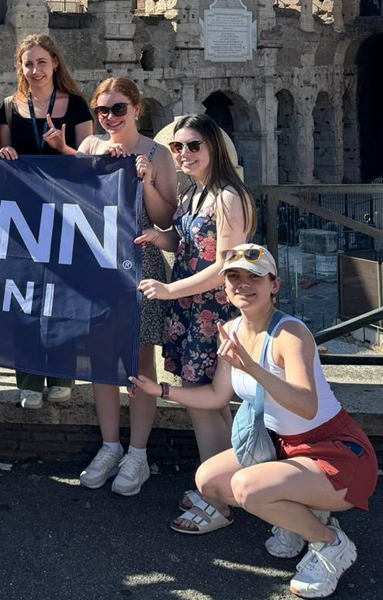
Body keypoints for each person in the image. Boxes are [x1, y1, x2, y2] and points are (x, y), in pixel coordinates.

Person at [129, 244, 377, 598]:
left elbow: (306, 406)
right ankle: (300, 517)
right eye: (234, 277)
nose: (244, 284)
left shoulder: (291, 333)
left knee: (247, 488)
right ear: (225, 286)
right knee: (208, 480)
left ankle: (330, 543)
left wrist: (253, 368)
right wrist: (161, 391)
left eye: (254, 276)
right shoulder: (230, 329)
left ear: (273, 284)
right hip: (285, 450)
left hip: (335, 453)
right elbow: (216, 396)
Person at [48, 77, 178, 496]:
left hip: (140, 260)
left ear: (137, 109)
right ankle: (109, 446)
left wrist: (142, 179)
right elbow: (73, 196)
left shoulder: (157, 154)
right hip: (99, 264)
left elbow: (164, 219)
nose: (109, 117)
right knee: (100, 357)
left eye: (118, 108)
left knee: (140, 361)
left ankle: (137, 454)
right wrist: (71, 155)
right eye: (102, 111)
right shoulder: (89, 146)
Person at [134, 113, 256, 515]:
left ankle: (215, 503)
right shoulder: (194, 193)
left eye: (193, 146)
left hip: (210, 312)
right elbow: (186, 241)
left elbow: (225, 266)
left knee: (201, 405)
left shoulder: (227, 196)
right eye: (177, 147)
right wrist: (160, 237)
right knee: (213, 405)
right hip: (189, 309)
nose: (184, 154)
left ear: (213, 148)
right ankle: (224, 489)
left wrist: (169, 289)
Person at [0, 33, 94, 410]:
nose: (34, 70)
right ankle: (29, 378)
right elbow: (3, 154)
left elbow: (90, 161)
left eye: (41, 62)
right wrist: (1, 150)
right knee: (24, 294)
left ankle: (63, 373)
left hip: (67, 208)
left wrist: (61, 148)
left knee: (62, 289)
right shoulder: (9, 106)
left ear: (54, 64)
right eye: (27, 64)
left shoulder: (77, 105)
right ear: (20, 68)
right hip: (22, 210)